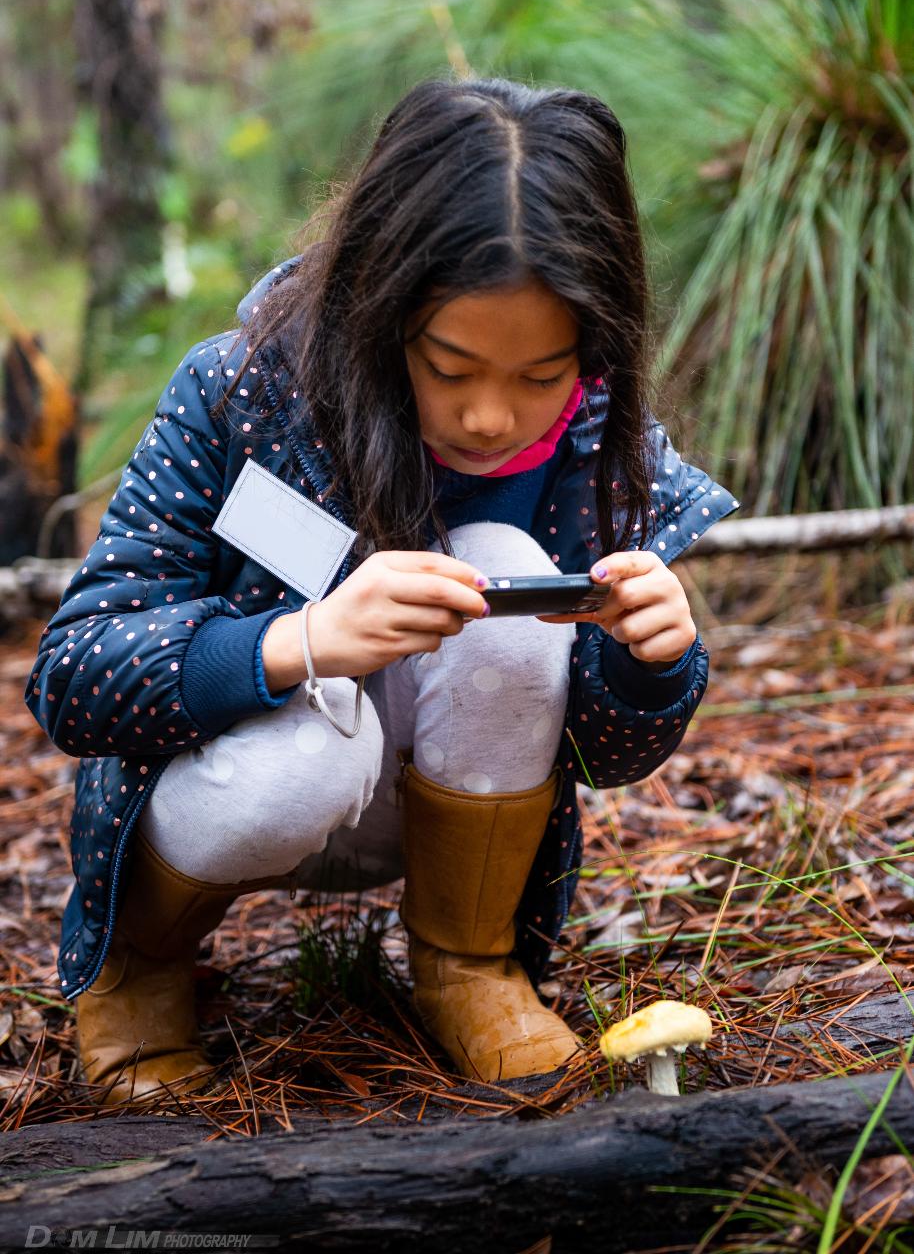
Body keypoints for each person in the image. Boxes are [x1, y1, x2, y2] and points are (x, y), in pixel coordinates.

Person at [25, 76, 739, 1107]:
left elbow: (607, 754)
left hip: (459, 813)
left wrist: (651, 663)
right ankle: (138, 965)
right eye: (448, 365)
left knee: (501, 553)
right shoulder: (242, 394)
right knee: (318, 746)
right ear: (378, 296)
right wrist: (299, 640)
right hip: (244, 790)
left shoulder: (599, 446)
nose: (491, 416)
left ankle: (468, 966)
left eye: (542, 373)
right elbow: (76, 673)